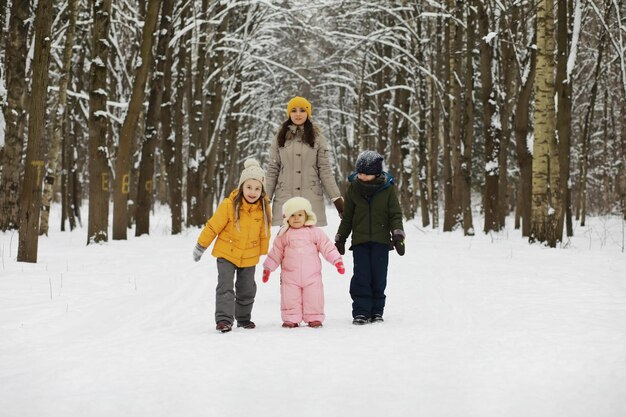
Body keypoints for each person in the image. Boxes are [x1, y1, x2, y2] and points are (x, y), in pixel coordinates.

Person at [192, 159, 271, 333]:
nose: (253, 192)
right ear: (242, 186)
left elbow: (264, 232)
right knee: (225, 286)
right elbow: (213, 226)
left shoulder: (264, 208)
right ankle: (224, 320)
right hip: (227, 252)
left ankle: (243, 318)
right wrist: (201, 246)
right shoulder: (229, 205)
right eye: (249, 187)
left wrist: (264, 253)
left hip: (249, 255)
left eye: (257, 188)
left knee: (247, 288)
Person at [334, 150, 405, 325]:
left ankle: (377, 312)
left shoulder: (387, 190)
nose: (362, 176)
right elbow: (348, 217)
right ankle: (361, 311)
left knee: (379, 277)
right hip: (360, 243)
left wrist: (397, 235)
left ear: (375, 173)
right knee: (361, 277)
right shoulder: (353, 190)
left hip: (381, 242)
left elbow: (395, 214)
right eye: (360, 173)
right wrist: (341, 238)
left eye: (365, 173)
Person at [262, 196, 345, 328]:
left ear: (306, 216)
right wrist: (268, 268)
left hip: (312, 276)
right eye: (292, 215)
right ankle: (291, 318)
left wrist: (336, 260)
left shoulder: (315, 232)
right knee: (290, 298)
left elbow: (327, 247)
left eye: (300, 214)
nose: (296, 218)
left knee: (314, 297)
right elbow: (275, 253)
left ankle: (314, 317)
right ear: (287, 217)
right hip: (290, 276)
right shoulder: (284, 235)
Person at [265, 96, 344, 227]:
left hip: (311, 199)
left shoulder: (317, 137)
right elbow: (273, 170)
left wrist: (337, 200)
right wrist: (265, 200)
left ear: (308, 113)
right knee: (287, 243)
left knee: (309, 244)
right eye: (294, 110)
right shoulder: (280, 137)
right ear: (289, 113)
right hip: (285, 199)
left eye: (302, 110)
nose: (298, 114)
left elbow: (325, 170)